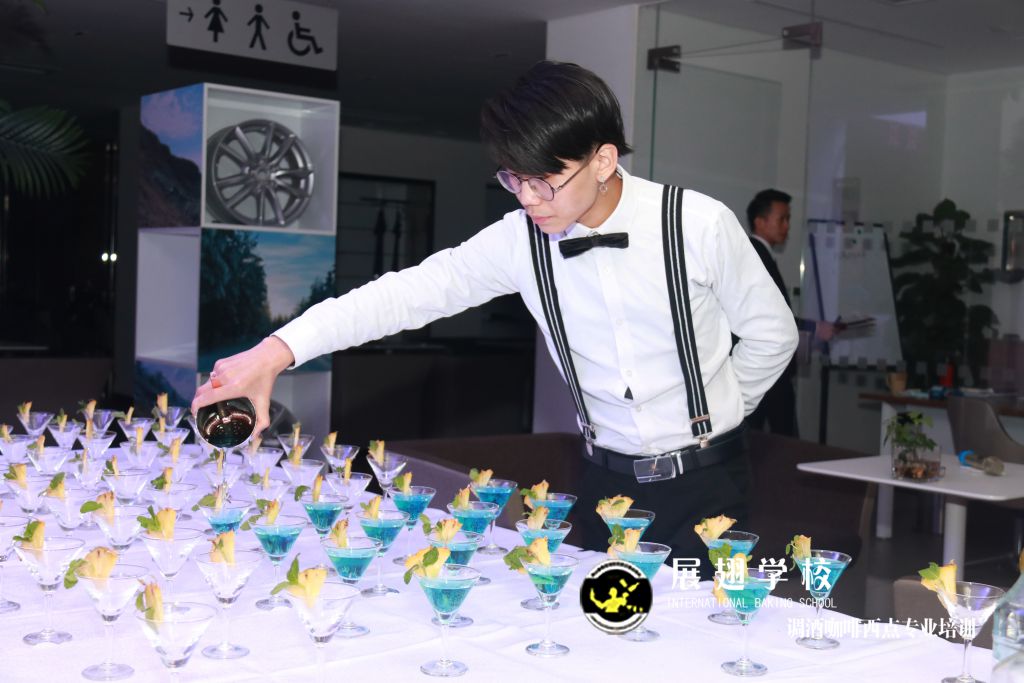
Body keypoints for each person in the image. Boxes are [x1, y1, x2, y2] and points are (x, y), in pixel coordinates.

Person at [192, 61, 798, 569]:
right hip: (603, 486)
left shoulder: (697, 223)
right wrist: (274, 353)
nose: (529, 198)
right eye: (514, 179)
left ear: (603, 160)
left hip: (708, 487)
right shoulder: (519, 241)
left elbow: (773, 335)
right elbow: (405, 294)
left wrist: (717, 414)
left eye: (545, 180)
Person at [744, 189, 834, 437]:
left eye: (788, 219)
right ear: (760, 222)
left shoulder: (759, 254)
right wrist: (814, 328)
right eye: (781, 219)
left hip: (766, 369)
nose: (787, 226)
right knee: (778, 441)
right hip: (767, 368)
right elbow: (769, 316)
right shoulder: (756, 256)